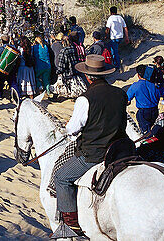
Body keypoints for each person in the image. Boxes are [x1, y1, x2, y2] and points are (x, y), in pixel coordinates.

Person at [54, 54, 129, 237]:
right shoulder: (120, 94)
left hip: (95, 153)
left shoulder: (85, 98)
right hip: (120, 149)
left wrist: (67, 126)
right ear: (104, 74)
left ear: (87, 76)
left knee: (61, 177)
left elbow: (73, 129)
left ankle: (71, 226)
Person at [125, 64, 164, 134]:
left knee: (145, 132)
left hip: (143, 113)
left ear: (138, 75)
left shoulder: (135, 86)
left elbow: (128, 101)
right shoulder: (156, 85)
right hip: (155, 110)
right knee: (154, 130)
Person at [54, 31, 88, 98]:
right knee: (76, 89)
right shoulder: (74, 49)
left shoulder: (63, 51)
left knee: (58, 87)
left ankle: (56, 97)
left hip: (67, 74)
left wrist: (58, 71)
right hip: (74, 72)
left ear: (63, 42)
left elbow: (62, 65)